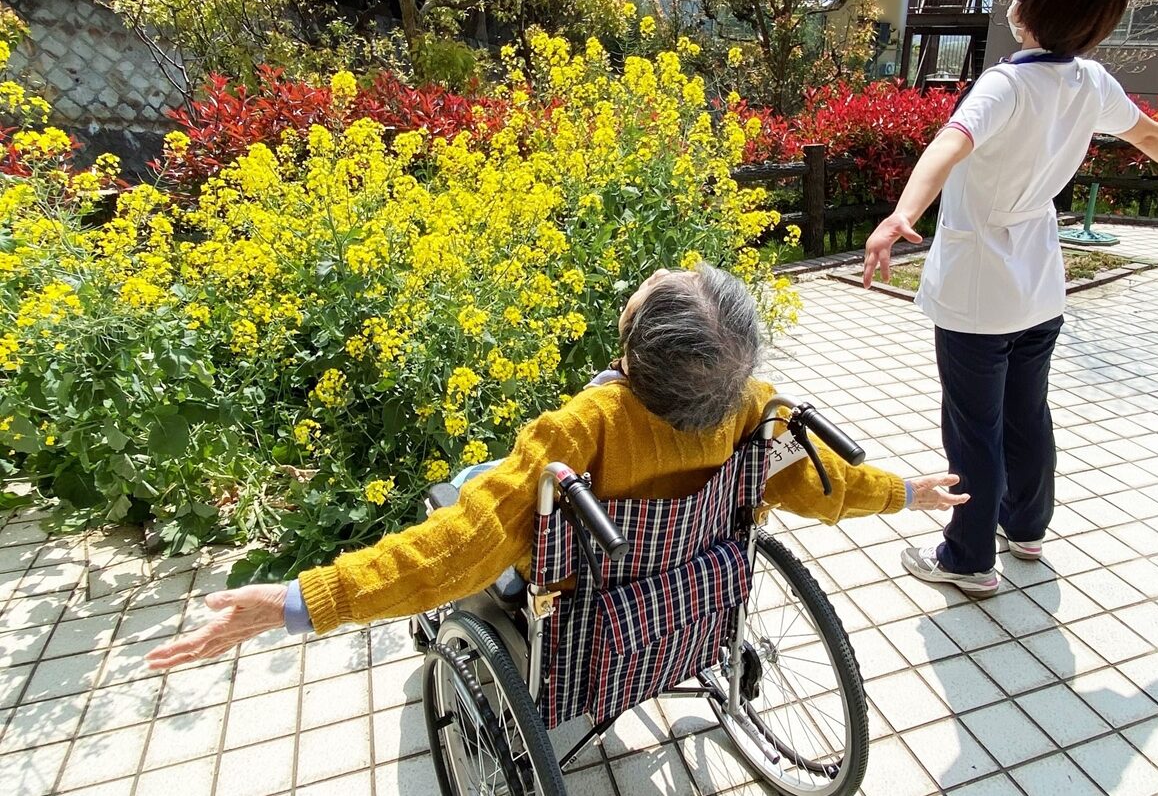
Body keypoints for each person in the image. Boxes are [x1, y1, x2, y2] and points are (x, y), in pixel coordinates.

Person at [147, 264, 969, 669]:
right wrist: (903, 492)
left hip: (584, 590)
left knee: (470, 490)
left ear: (632, 347)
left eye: (658, 287)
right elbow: (817, 480)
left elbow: (459, 550)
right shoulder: (752, 408)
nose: (659, 274)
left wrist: (297, 602)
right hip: (684, 576)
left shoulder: (583, 428)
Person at [861, 0, 1158, 598]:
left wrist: (903, 211)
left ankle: (967, 559)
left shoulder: (1007, 84)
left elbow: (950, 142)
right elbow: (1149, 134)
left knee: (974, 431)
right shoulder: (1089, 82)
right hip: (1040, 287)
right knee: (1027, 415)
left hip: (977, 294)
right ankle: (1025, 529)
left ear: (1031, 7)